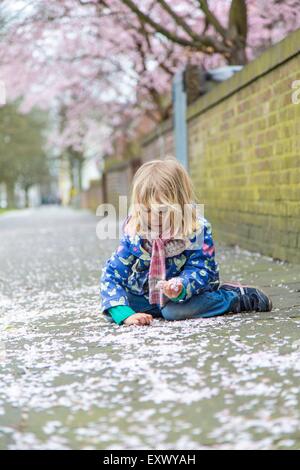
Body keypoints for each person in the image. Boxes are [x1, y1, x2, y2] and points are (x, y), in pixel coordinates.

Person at [100, 158, 272, 326]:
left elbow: (201, 268)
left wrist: (180, 286)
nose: (153, 217)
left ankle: (233, 298)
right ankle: (143, 309)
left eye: (162, 211)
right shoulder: (135, 234)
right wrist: (125, 314)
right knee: (117, 306)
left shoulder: (194, 231)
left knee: (173, 312)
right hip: (146, 296)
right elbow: (112, 274)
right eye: (146, 210)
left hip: (185, 295)